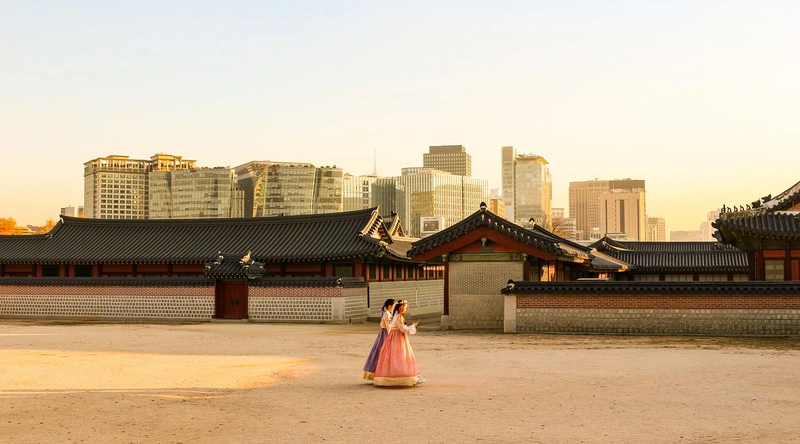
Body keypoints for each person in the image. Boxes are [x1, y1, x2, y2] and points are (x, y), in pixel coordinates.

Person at [373, 299, 423, 387]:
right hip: (398, 337)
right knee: (401, 356)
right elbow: (402, 329)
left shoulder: (395, 316)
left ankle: (391, 377)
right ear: (400, 308)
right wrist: (413, 326)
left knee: (393, 356)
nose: (405, 309)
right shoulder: (399, 317)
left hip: (393, 337)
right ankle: (402, 377)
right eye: (405, 307)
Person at [362, 298, 396, 380]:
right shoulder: (387, 314)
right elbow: (388, 328)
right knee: (383, 352)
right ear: (390, 306)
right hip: (385, 335)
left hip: (383, 334)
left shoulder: (387, 313)